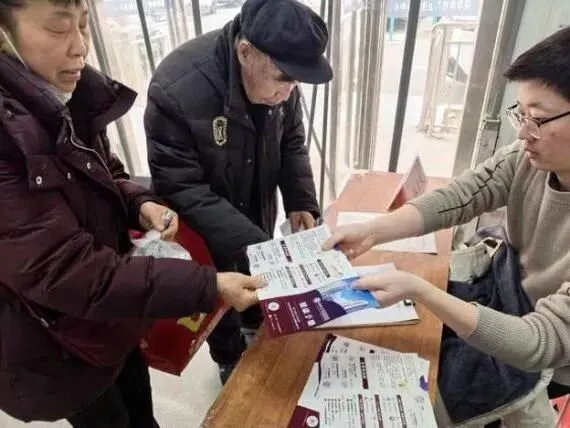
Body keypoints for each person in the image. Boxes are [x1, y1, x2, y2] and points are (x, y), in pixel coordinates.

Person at [0, 1, 263, 426]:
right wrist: (208, 284)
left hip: (112, 317)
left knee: (140, 410)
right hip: (55, 341)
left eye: (84, 26)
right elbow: (64, 269)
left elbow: (104, 171)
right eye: (58, 29)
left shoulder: (64, 93)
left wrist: (140, 203)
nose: (80, 46)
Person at [324, 26, 570, 427]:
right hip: (505, 290)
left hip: (541, 355)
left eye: (538, 119)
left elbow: (541, 343)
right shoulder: (528, 157)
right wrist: (375, 230)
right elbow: (465, 194)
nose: (524, 133)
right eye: (521, 115)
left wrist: (421, 291)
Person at [145, 0, 332, 383]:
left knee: (257, 281)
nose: (289, 92)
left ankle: (256, 322)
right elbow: (180, 186)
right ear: (246, 53)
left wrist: (300, 201)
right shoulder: (177, 89)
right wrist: (260, 246)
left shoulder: (279, 79)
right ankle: (228, 358)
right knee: (219, 295)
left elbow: (292, 142)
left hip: (255, 201)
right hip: (203, 218)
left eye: (296, 82)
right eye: (284, 79)